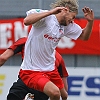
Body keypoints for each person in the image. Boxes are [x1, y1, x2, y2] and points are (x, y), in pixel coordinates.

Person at [18, 0, 94, 100]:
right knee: (55, 93)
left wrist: (90, 21)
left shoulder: (66, 26)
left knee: (64, 96)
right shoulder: (46, 17)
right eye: (73, 16)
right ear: (66, 10)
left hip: (50, 69)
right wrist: (50, 12)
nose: (73, 20)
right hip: (32, 70)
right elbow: (27, 21)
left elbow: (84, 36)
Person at [0, 37, 69, 100]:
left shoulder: (25, 41)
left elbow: (3, 58)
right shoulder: (58, 57)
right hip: (43, 90)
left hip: (24, 83)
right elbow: (63, 90)